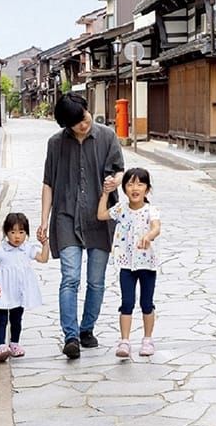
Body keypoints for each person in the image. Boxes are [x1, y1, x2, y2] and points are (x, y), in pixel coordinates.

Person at [37, 93, 124, 360]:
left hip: (100, 216)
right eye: (76, 124)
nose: (83, 125)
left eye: (84, 118)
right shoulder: (56, 144)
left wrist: (115, 182)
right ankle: (71, 336)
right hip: (66, 216)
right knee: (70, 278)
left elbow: (120, 170)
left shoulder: (107, 136)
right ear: (66, 126)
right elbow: (48, 183)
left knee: (96, 281)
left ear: (88, 111)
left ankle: (87, 329)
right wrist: (44, 220)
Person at [97, 166, 161, 360]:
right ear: (124, 188)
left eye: (140, 184)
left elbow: (156, 228)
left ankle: (147, 339)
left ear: (147, 189)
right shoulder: (120, 209)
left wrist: (148, 236)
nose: (135, 188)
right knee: (126, 302)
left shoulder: (151, 210)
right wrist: (105, 194)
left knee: (147, 303)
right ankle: (124, 341)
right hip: (126, 263)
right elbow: (100, 215)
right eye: (130, 183)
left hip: (147, 264)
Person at [0, 212, 49, 363]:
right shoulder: (0, 251)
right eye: (13, 232)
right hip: (2, 291)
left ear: (26, 233)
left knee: (16, 319)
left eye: (21, 232)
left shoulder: (27, 249)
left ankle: (14, 344)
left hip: (19, 292)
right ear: (6, 232)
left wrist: (45, 244)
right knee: (1, 319)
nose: (17, 236)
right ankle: (1, 346)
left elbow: (43, 259)